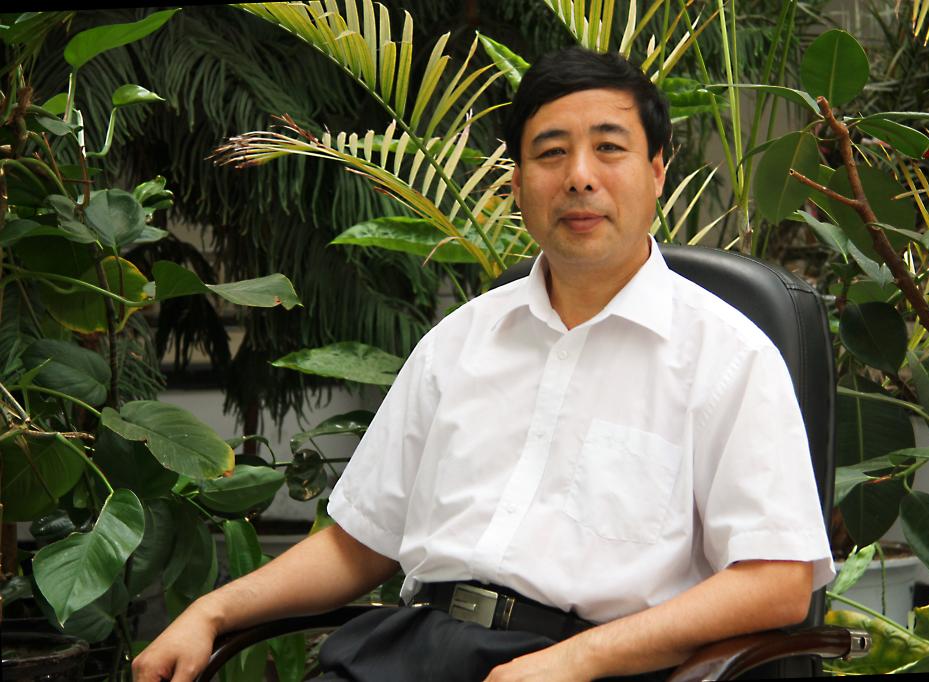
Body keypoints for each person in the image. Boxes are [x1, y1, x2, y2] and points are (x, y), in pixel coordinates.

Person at [133, 46, 833, 682]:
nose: (579, 177)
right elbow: (359, 546)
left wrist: (576, 661)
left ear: (655, 172)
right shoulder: (460, 341)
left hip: (595, 664)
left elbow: (777, 582)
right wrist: (210, 613)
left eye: (609, 149)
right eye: (551, 153)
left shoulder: (727, 358)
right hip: (410, 650)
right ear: (518, 184)